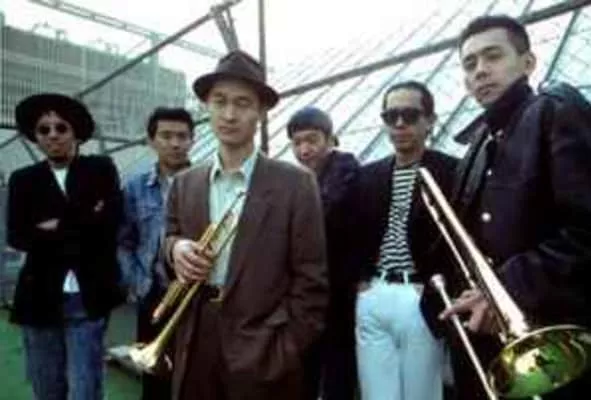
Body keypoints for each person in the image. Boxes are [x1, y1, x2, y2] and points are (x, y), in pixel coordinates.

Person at [439, 15, 591, 400]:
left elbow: (585, 229)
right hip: (495, 338)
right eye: (470, 64)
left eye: (493, 56)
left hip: (558, 337)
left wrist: (504, 289)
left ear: (527, 63)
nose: (480, 70)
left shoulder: (555, 112)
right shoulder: (478, 141)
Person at [163, 50, 328, 400]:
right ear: (207, 107)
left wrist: (283, 350)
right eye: (219, 101)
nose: (229, 114)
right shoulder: (184, 183)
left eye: (242, 103)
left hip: (264, 349)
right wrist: (174, 249)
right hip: (195, 341)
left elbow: (311, 283)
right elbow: (163, 248)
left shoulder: (296, 184)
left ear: (261, 112)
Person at [6, 93, 124, 400]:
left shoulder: (100, 168)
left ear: (76, 133)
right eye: (43, 129)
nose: (53, 135)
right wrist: (86, 216)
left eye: (61, 127)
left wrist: (52, 226)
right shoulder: (23, 180)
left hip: (88, 296)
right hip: (39, 299)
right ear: (35, 136)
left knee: (86, 389)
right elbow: (17, 236)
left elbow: (110, 223)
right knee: (47, 388)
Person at [350, 81, 457, 400]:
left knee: (421, 394)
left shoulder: (451, 171)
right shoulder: (368, 175)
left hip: (421, 295)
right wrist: (360, 281)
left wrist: (437, 288)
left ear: (430, 121)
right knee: (377, 394)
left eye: (409, 115)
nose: (399, 124)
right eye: (390, 116)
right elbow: (351, 233)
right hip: (374, 292)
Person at [118, 107, 195, 400]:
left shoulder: (206, 181)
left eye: (182, 136)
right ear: (151, 141)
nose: (175, 143)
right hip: (153, 292)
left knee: (195, 376)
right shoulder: (135, 188)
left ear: (192, 140)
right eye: (166, 136)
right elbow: (123, 241)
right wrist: (137, 281)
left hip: (196, 297)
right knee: (155, 381)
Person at [287, 106, 360, 400]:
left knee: (337, 373)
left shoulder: (346, 172)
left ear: (331, 140)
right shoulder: (301, 178)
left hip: (339, 294)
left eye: (312, 140)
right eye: (297, 142)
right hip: (310, 294)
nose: (304, 150)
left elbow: (321, 220)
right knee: (307, 370)